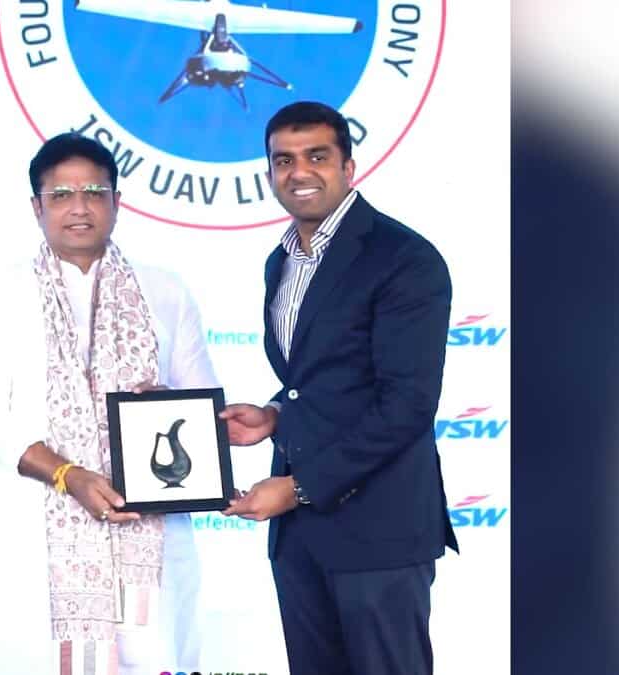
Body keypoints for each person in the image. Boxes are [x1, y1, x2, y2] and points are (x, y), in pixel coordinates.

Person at [0, 133, 217, 674]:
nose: (79, 207)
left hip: (151, 537)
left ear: (117, 203)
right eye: (60, 195)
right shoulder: (2, 293)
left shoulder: (164, 292)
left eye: (94, 192)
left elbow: (201, 404)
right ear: (37, 208)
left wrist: (172, 409)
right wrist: (69, 476)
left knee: (155, 654)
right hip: (43, 535)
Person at [220, 101, 459, 675]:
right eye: (283, 160)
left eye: (317, 156)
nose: (299, 172)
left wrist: (297, 488)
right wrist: (275, 413)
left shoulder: (404, 259)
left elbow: (406, 406)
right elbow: (319, 379)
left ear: (349, 167)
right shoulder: (281, 261)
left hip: (379, 528)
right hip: (301, 539)